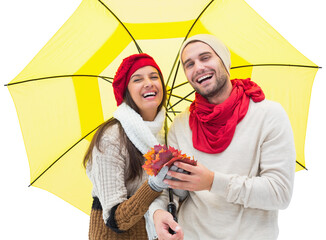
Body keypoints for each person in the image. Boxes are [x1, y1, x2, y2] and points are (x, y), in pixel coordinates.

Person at [149, 34, 296, 240]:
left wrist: (212, 182)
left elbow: (279, 193)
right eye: (189, 64)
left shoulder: (269, 115)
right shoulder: (180, 126)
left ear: (224, 61)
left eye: (206, 57)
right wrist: (157, 212)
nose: (198, 67)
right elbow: (172, 190)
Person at [83, 53, 174, 240]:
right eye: (137, 79)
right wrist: (154, 185)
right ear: (127, 92)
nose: (148, 82)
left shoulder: (166, 134)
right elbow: (116, 220)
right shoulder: (111, 138)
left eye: (154, 76)